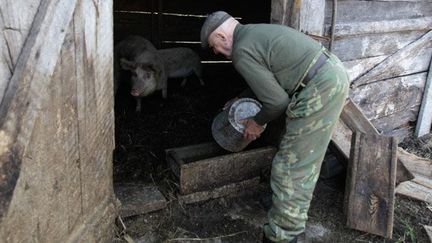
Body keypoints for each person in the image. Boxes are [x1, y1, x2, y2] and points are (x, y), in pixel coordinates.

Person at [200, 11, 349, 243]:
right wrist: (239, 98)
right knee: (299, 155)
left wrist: (256, 123)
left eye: (214, 46)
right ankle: (287, 209)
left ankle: (284, 235)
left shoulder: (240, 51)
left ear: (220, 35)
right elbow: (270, 80)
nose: (216, 53)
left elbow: (277, 102)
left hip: (318, 87)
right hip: (328, 74)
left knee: (291, 166)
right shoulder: (253, 33)